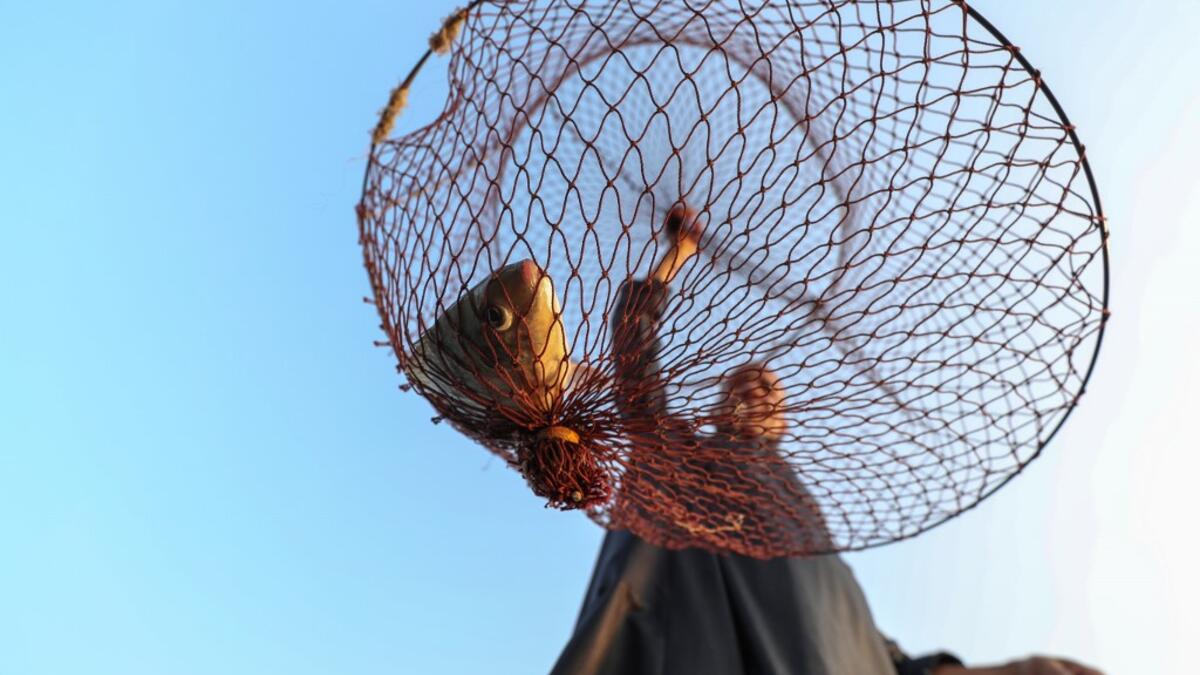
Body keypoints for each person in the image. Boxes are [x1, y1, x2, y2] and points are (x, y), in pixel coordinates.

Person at [549, 207, 1104, 675]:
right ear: (719, 409)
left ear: (783, 421)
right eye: (743, 385)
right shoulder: (680, 457)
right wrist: (676, 258)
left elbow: (873, 647)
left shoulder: (819, 539)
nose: (757, 393)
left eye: (768, 390)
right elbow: (634, 359)